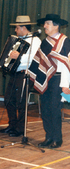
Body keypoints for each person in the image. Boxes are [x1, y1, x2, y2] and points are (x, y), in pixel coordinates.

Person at [29, 14, 70, 149]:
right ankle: (48, 137)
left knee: (54, 109)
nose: (45, 26)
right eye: (45, 23)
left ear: (56, 25)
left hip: (58, 79)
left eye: (47, 23)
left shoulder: (65, 41)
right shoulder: (45, 42)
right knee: (45, 109)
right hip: (46, 79)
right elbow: (40, 61)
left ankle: (57, 139)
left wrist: (65, 84)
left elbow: (66, 64)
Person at [0, 16, 41, 137]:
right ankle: (12, 125)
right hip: (15, 73)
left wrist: (19, 57)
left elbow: (34, 59)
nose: (15, 31)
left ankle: (20, 128)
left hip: (25, 74)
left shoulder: (35, 40)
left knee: (21, 102)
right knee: (8, 99)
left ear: (23, 27)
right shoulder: (17, 40)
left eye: (17, 28)